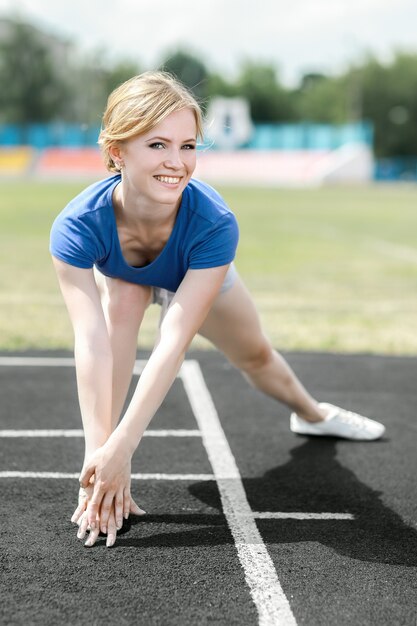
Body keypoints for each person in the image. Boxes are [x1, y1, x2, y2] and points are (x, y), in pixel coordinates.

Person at [50, 71, 385, 548]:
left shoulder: (215, 223)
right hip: (128, 278)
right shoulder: (77, 226)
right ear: (117, 150)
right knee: (121, 305)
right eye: (158, 145)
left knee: (257, 358)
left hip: (196, 271)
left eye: (188, 146)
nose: (176, 162)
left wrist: (127, 446)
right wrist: (102, 460)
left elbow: (173, 340)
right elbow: (92, 344)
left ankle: (312, 413)